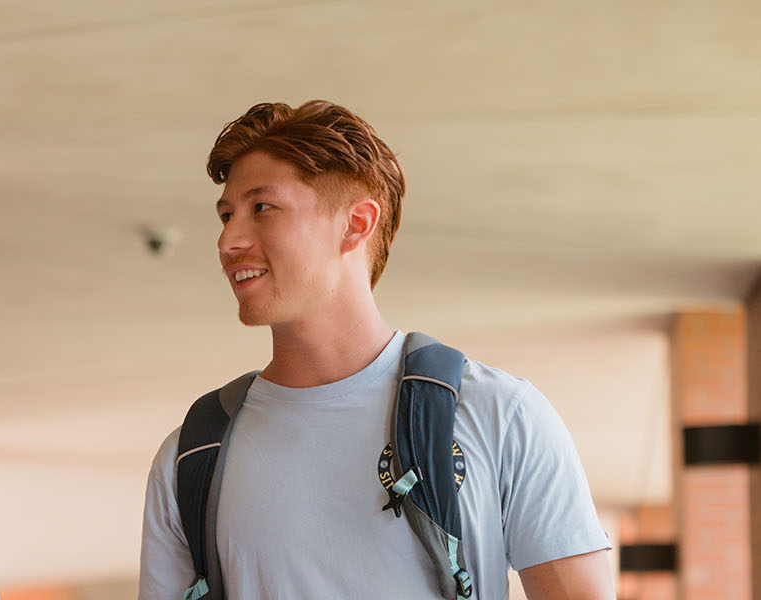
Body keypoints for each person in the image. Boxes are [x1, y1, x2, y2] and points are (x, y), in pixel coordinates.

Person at [138, 100, 613, 599]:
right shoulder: (191, 456)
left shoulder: (498, 413)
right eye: (226, 215)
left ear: (356, 223)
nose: (228, 240)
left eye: (262, 208)